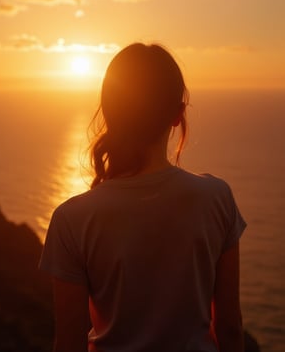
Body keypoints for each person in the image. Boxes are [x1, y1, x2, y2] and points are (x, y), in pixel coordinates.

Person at [39, 43, 246, 352]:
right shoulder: (217, 198)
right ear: (178, 115)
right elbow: (228, 326)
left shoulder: (72, 219)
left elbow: (69, 343)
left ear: (110, 112)